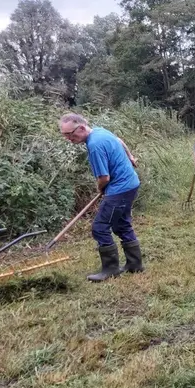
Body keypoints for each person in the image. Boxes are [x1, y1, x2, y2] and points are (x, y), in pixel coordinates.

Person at [58, 113, 144, 281]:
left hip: (120, 189)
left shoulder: (95, 145)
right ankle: (135, 264)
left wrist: (100, 189)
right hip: (130, 184)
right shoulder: (99, 131)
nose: (68, 138)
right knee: (122, 224)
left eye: (70, 134)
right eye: (65, 135)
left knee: (100, 227)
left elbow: (104, 178)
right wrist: (130, 156)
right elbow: (119, 140)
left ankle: (111, 269)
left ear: (81, 128)